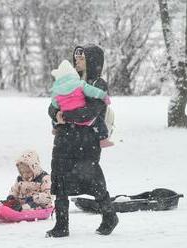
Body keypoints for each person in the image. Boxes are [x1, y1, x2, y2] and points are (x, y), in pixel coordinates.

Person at [46, 44, 119, 238]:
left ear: (92, 61)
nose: (77, 60)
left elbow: (89, 112)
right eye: (76, 57)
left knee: (92, 179)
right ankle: (61, 225)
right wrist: (56, 113)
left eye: (81, 57)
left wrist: (65, 115)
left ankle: (109, 215)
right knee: (60, 179)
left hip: (87, 141)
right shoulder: (68, 80)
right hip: (64, 140)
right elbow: (52, 106)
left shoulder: (98, 84)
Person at [50, 59, 113, 147]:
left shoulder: (56, 91)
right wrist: (104, 96)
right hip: (83, 116)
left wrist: (58, 112)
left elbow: (54, 104)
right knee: (98, 120)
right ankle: (103, 139)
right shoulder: (80, 84)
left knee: (55, 117)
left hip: (66, 118)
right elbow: (92, 91)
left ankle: (55, 128)